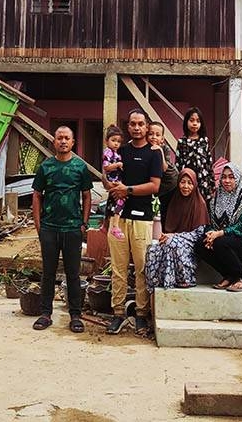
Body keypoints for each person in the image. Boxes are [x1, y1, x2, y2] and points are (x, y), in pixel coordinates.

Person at [104, 108, 162, 335]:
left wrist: (126, 190)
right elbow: (108, 177)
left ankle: (141, 315)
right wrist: (110, 183)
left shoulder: (154, 153)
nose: (137, 127)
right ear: (128, 127)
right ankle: (117, 313)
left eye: (141, 124)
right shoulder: (121, 151)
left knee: (141, 269)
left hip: (142, 219)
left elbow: (155, 186)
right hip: (118, 219)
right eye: (133, 124)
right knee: (117, 269)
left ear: (147, 127)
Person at [31, 126, 93, 332]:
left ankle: (75, 315)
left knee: (73, 273)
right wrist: (39, 225)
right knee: (48, 272)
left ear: (73, 142)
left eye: (67, 138)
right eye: (60, 138)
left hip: (72, 228)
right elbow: (37, 195)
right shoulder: (46, 167)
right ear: (54, 142)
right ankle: (45, 313)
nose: (63, 141)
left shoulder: (80, 167)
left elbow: (86, 195)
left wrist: (83, 223)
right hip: (49, 228)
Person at [195, 163, 242, 293]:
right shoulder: (216, 198)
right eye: (224, 177)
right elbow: (211, 223)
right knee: (200, 245)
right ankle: (230, 276)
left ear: (237, 178)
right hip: (224, 243)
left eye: (231, 177)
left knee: (220, 242)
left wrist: (220, 233)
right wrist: (210, 235)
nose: (227, 181)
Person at [144, 168, 210, 290]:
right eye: (182, 182)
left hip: (191, 244)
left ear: (195, 184)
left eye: (189, 183)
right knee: (153, 249)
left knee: (172, 244)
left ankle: (184, 279)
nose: (185, 186)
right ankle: (155, 284)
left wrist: (175, 236)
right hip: (172, 239)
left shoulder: (199, 203)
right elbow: (168, 229)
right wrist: (168, 236)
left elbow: (199, 234)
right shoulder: (174, 201)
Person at [175, 107, 216, 200]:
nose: (194, 124)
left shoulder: (204, 141)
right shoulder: (182, 142)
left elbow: (208, 163)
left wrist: (212, 183)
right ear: (186, 122)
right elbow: (178, 164)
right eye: (191, 120)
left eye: (198, 121)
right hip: (187, 182)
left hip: (202, 181)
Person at [147, 121, 178, 224]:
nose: (154, 137)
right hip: (159, 188)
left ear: (162, 139)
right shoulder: (146, 149)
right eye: (151, 134)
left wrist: (159, 151)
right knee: (161, 213)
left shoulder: (164, 148)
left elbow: (164, 168)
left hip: (171, 184)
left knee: (170, 213)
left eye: (157, 135)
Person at [102, 125, 125, 240]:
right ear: (107, 141)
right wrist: (118, 165)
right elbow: (106, 167)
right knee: (121, 200)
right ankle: (115, 226)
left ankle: (105, 225)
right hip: (113, 180)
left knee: (111, 202)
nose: (116, 143)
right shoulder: (108, 152)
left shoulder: (116, 152)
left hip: (116, 179)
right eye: (113, 140)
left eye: (118, 141)